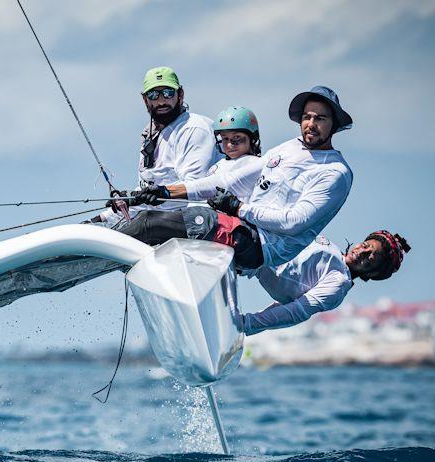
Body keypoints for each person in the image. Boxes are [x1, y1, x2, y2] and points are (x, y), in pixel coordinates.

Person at [129, 86, 354, 271]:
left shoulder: (335, 172)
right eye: (307, 117)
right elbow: (227, 182)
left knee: (150, 223)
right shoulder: (290, 147)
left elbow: (293, 222)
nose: (311, 124)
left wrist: (239, 208)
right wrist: (165, 191)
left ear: (333, 124)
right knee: (153, 219)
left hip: (260, 246)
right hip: (240, 227)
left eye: (320, 118)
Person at [95, 66, 220, 225]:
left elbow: (195, 191)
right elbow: (147, 192)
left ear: (180, 94)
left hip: (198, 224)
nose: (161, 101)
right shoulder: (150, 133)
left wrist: (146, 198)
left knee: (143, 224)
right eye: (153, 95)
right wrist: (103, 218)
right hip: (160, 223)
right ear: (145, 99)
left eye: (168, 93)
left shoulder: (193, 128)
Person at [242, 231, 410, 335]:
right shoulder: (333, 249)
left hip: (249, 253)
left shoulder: (339, 284)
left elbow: (296, 311)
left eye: (369, 258)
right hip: (255, 240)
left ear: (372, 273)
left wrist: (247, 324)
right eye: (365, 245)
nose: (362, 252)